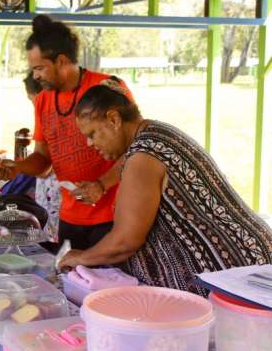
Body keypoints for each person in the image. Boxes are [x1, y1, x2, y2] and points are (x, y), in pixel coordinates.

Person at [58, 80, 272, 296]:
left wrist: (83, 257)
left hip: (235, 274)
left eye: (92, 133)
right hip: (250, 262)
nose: (89, 143)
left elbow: (125, 241)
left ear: (114, 119)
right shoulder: (157, 134)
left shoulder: (144, 155)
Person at [0, 14, 134, 251]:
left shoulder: (107, 88)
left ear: (61, 61)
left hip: (112, 216)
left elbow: (137, 149)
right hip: (69, 218)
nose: (36, 76)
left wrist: (102, 184)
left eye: (40, 68)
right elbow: (43, 161)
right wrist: (18, 167)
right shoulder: (43, 101)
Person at [24, 72, 61, 243]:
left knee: (53, 239)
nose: (34, 106)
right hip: (48, 193)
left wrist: (20, 166)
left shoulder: (53, 115)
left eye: (33, 101)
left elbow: (44, 167)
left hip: (55, 193)